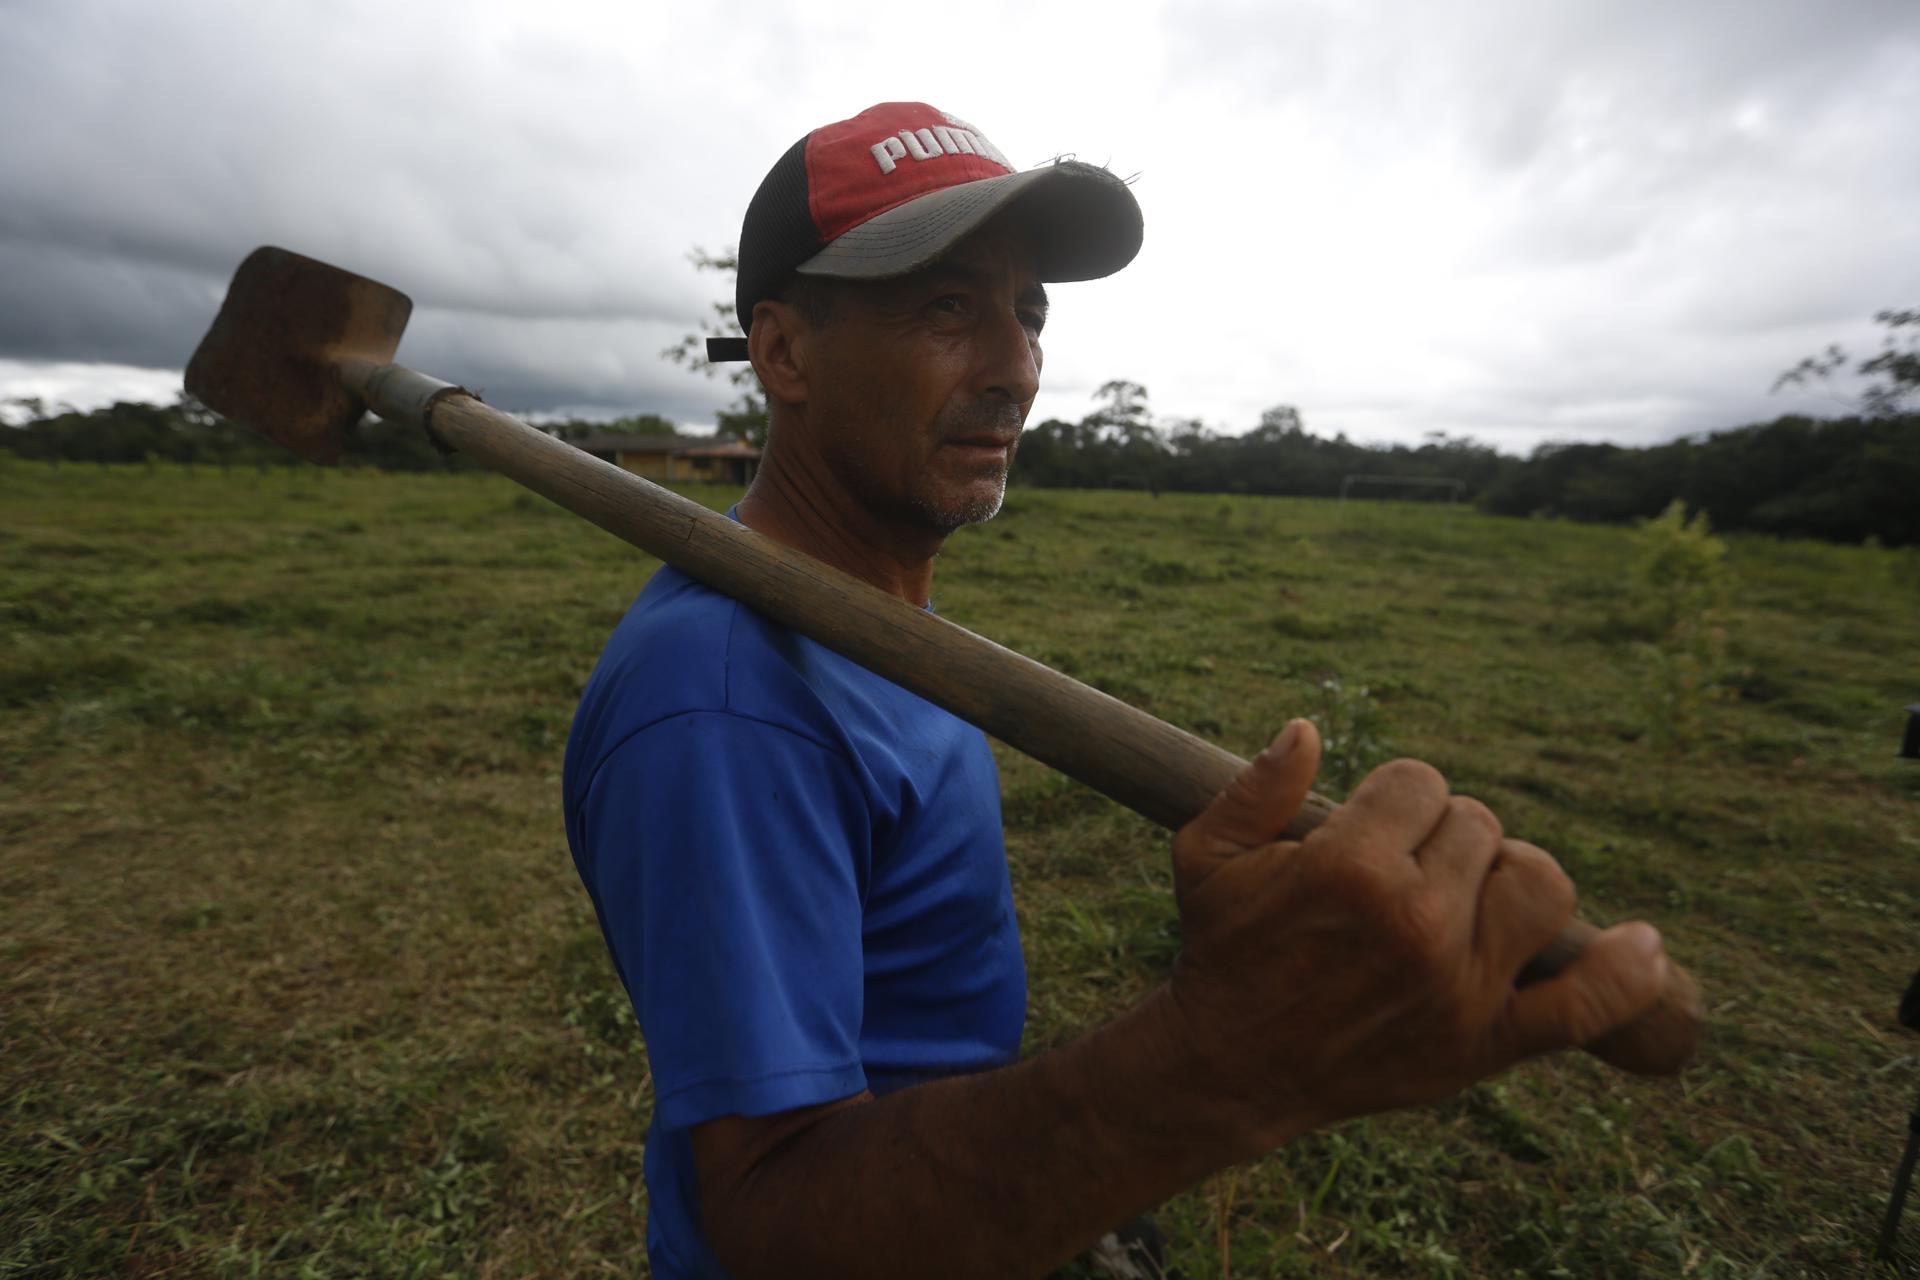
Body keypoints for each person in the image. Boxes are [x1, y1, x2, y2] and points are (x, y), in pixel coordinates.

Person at [563, 101, 1673, 1280]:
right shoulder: (727, 701)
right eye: (948, 306)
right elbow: (774, 1222)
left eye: (1027, 311)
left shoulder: (870, 622)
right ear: (783, 352)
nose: (1016, 365)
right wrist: (1225, 1059)